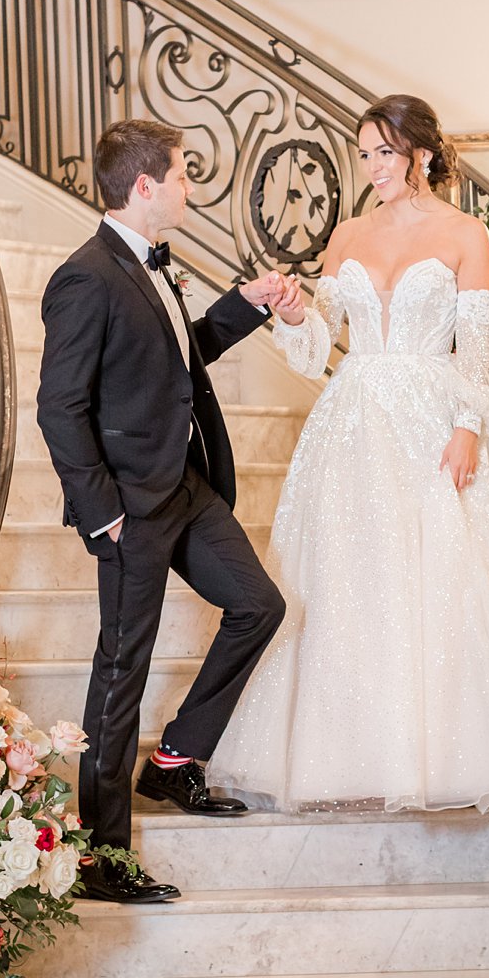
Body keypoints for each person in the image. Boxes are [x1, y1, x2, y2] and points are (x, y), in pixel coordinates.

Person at [209, 94, 489, 814]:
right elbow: (317, 352)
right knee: (351, 578)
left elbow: (475, 353)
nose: (372, 167)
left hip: (435, 419)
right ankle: (346, 755)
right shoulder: (345, 235)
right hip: (354, 421)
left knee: (435, 576)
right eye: (364, 153)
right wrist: (296, 312)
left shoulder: (467, 235)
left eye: (385, 153)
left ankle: (439, 757)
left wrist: (468, 427)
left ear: (421, 155)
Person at [36, 119, 291, 902]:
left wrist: (244, 307)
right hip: (130, 509)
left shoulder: (151, 267)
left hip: (185, 487)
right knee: (121, 674)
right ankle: (102, 860)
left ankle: (176, 759)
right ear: (145, 187)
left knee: (259, 604)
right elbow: (58, 406)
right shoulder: (86, 276)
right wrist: (101, 511)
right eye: (182, 175)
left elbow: (180, 357)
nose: (189, 187)